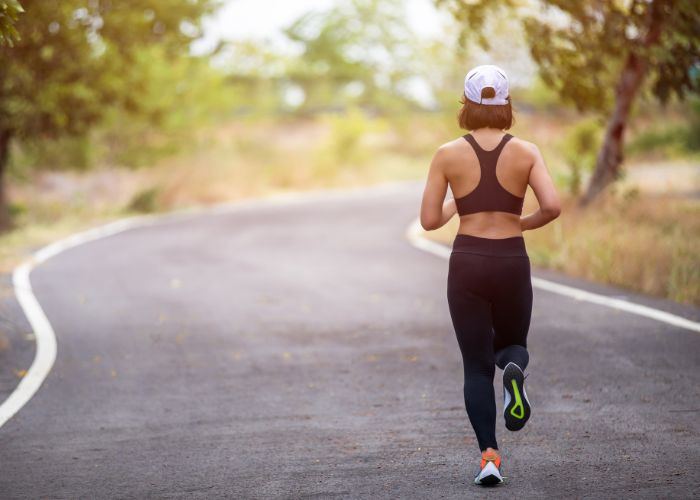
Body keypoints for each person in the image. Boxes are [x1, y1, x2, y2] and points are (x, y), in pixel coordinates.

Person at [419, 64, 561, 486]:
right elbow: (552, 206)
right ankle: (514, 373)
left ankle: (489, 456)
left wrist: (459, 204)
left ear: (466, 105)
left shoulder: (447, 154)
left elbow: (428, 220)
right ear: (506, 105)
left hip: (467, 260)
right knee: (513, 344)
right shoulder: (527, 151)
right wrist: (521, 223)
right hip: (511, 259)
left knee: (476, 368)